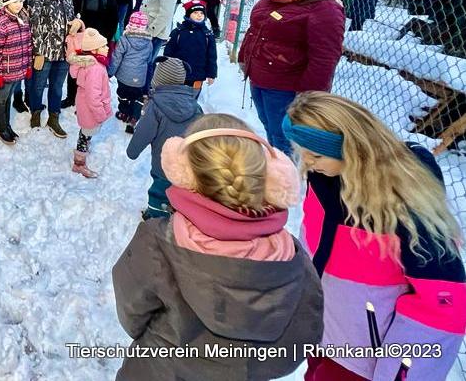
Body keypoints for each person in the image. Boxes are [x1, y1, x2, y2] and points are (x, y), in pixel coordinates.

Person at [112, 114, 322, 381]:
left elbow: (131, 315)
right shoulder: (292, 259)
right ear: (270, 175)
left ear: (183, 173)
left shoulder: (158, 242)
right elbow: (302, 335)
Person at [287, 92, 465, 381]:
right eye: (300, 151)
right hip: (326, 331)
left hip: (367, 359)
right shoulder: (324, 178)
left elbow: (441, 305)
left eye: (315, 155)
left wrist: (400, 371)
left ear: (351, 148)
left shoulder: (403, 200)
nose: (306, 163)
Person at [237, 0, 345, 155]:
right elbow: (254, 30)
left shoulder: (325, 8)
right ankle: (276, 164)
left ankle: (284, 176)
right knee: (269, 126)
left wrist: (308, 95)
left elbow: (325, 57)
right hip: (258, 76)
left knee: (283, 136)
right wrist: (244, 57)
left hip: (286, 85)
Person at [126, 57, 201, 218]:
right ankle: (179, 214)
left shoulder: (155, 106)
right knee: (183, 191)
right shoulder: (194, 105)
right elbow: (203, 133)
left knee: (159, 194)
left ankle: (155, 217)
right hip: (190, 163)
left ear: (158, 79)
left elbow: (143, 132)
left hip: (163, 165)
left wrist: (132, 151)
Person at [25, 0, 75, 138]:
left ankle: (54, 116)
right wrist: (37, 50)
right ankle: (36, 111)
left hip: (63, 49)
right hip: (44, 50)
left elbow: (70, 14)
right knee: (38, 85)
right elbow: (34, 22)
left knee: (56, 86)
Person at [64, 0, 117, 108]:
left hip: (96, 41)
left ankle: (89, 98)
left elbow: (113, 19)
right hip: (78, 38)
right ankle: (71, 97)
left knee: (93, 71)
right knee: (75, 68)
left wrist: (103, 38)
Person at [0, 0, 32, 145]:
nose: (19, 5)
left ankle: (5, 125)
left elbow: (28, 45)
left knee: (8, 97)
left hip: (19, 69)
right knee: (2, 99)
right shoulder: (0, 23)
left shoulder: (23, 18)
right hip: (6, 72)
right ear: (7, 3)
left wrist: (27, 66)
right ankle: (1, 128)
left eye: (21, 1)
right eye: (15, 2)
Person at [69, 28, 111, 178]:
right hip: (90, 108)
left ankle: (84, 147)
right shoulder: (95, 69)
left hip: (84, 104)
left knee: (86, 132)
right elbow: (93, 97)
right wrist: (100, 114)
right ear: (94, 50)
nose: (107, 48)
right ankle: (79, 164)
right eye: (104, 46)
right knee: (86, 134)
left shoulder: (91, 64)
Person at [140, 0, 180, 92]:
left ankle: (144, 91)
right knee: (144, 61)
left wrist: (151, 32)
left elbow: (165, 14)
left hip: (154, 32)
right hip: (146, 29)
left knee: (148, 62)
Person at [109, 11, 152, 129]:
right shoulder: (149, 42)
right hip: (139, 79)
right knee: (137, 97)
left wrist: (110, 72)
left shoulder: (124, 40)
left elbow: (116, 58)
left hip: (124, 77)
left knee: (123, 94)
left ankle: (124, 113)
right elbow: (149, 61)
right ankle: (134, 117)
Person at [164, 0, 217, 91]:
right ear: (188, 14)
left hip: (198, 75)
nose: (199, 15)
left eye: (201, 13)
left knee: (192, 99)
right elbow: (168, 52)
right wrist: (166, 68)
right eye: (195, 13)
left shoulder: (207, 35)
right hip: (178, 74)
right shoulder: (178, 32)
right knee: (176, 98)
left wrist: (211, 74)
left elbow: (212, 56)